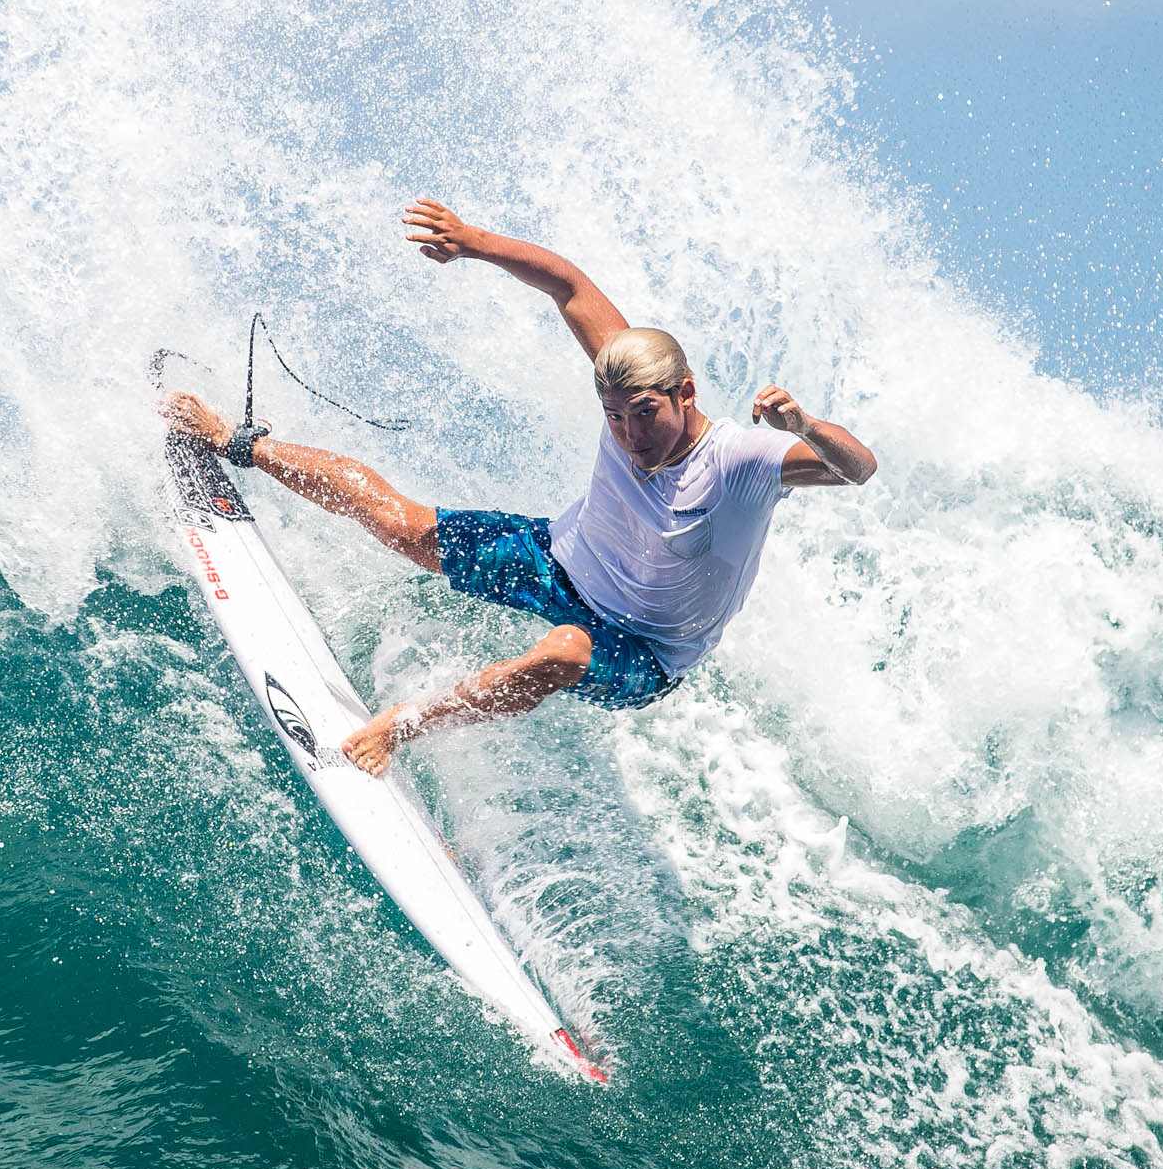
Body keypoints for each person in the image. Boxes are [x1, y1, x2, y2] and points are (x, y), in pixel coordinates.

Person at [162, 198, 877, 773]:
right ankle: (236, 441)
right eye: (614, 418)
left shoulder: (743, 460)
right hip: (562, 558)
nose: (630, 433)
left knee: (563, 652)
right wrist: (471, 240)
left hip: (644, 650)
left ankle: (401, 727)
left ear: (685, 393)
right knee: (406, 524)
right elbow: (568, 284)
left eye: (646, 414)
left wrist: (806, 424)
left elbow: (859, 467)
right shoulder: (626, 370)